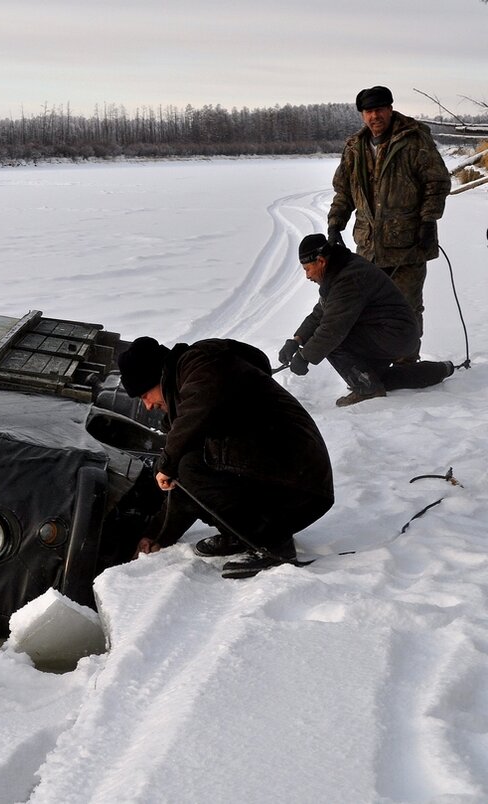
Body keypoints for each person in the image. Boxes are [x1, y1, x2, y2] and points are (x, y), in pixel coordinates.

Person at [116, 336, 334, 579]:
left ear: (157, 377)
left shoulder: (201, 363)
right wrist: (157, 535)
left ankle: (271, 544)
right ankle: (242, 537)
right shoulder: (185, 394)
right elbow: (183, 489)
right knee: (187, 466)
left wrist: (168, 462)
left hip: (299, 479)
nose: (147, 406)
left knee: (189, 465)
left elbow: (199, 410)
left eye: (145, 395)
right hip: (288, 483)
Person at [328, 85, 451, 357]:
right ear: (362, 115)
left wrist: (428, 221)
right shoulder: (354, 147)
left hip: (407, 243)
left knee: (406, 308)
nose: (375, 116)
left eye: (380, 109)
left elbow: (437, 183)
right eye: (369, 111)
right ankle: (379, 361)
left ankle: (408, 360)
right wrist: (335, 224)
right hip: (368, 247)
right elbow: (344, 191)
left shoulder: (414, 139)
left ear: (390, 109)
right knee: (369, 309)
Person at [280, 234, 454, 407]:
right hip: (395, 334)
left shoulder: (347, 279)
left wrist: (305, 356)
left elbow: (331, 330)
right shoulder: (339, 270)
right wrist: (297, 340)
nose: (307, 276)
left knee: (333, 340)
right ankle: (440, 370)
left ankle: (367, 389)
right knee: (380, 378)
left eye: (307, 269)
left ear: (321, 261)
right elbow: (321, 312)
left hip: (394, 334)